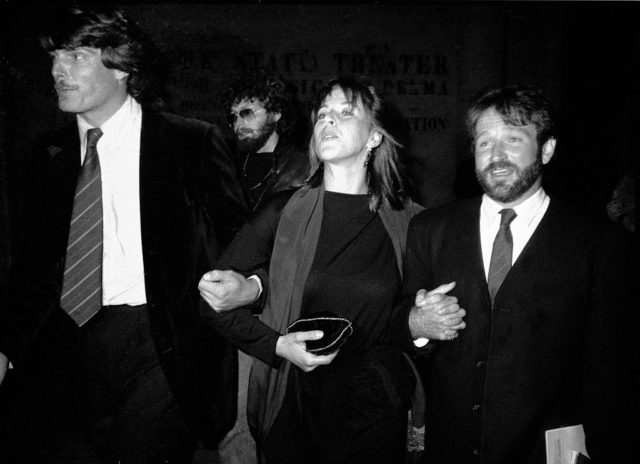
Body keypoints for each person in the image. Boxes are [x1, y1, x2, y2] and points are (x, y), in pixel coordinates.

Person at [0, 6, 248, 463]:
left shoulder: (191, 142)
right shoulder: (43, 156)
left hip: (156, 342)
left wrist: (249, 285)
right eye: (55, 57)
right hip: (60, 346)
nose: (57, 70)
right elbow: (31, 266)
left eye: (76, 56)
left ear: (122, 66)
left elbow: (244, 246)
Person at [198, 76, 455, 464]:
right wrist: (278, 345)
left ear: (374, 137)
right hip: (296, 400)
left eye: (345, 113)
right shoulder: (282, 212)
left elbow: (408, 320)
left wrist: (421, 325)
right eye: (322, 114)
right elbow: (211, 303)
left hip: (375, 405)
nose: (327, 121)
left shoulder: (410, 222)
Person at [394, 85, 635, 463]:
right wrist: (416, 325)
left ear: (547, 148)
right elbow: (399, 326)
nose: (497, 155)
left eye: (513, 139)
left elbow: (610, 370)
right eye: (485, 142)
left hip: (547, 452)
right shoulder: (430, 229)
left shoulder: (599, 242)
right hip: (450, 448)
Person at [223, 69, 309, 212]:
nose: (239, 124)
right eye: (233, 117)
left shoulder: (302, 165)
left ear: (275, 114)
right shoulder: (230, 165)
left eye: (247, 112)